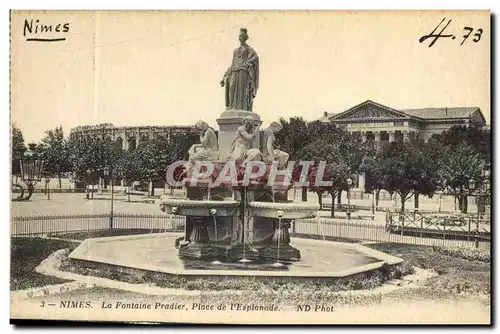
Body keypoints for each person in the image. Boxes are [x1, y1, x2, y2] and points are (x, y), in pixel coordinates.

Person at [220, 28, 259, 112]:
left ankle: (241, 107)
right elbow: (232, 64)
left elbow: (256, 57)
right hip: (234, 71)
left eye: (241, 35)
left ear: (245, 37)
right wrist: (224, 76)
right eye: (239, 35)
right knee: (231, 88)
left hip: (243, 72)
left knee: (241, 90)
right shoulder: (235, 50)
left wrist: (248, 62)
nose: (240, 37)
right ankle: (231, 106)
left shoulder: (249, 49)